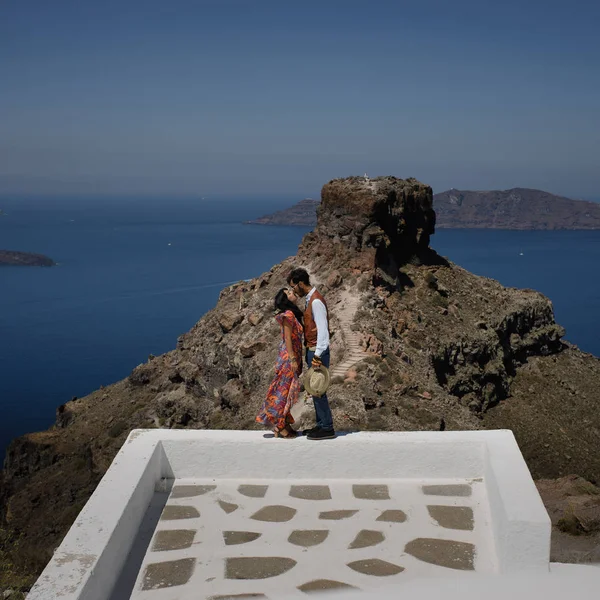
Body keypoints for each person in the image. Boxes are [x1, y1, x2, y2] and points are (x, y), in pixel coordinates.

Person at [287, 268, 335, 440]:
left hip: (317, 351)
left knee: (318, 388)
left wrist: (317, 355)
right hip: (313, 349)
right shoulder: (310, 299)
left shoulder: (315, 302)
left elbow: (323, 332)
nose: (293, 291)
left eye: (294, 287)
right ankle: (321, 424)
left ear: (301, 284)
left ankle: (327, 427)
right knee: (315, 388)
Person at [256, 288, 303, 438]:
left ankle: (285, 424)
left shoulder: (292, 314)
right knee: (282, 392)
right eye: (288, 293)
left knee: (287, 391)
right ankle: (280, 425)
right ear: (285, 300)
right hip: (288, 359)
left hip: (291, 357)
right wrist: (293, 359)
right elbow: (288, 339)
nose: (292, 293)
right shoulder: (288, 315)